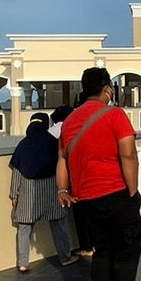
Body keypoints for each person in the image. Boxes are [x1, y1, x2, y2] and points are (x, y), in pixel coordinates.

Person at [56, 67, 141, 281]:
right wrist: (132, 191)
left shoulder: (70, 121)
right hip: (115, 192)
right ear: (107, 88)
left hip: (85, 199)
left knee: (102, 253)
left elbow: (62, 159)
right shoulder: (114, 114)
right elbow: (128, 154)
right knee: (127, 251)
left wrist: (63, 190)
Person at [10, 114, 76, 270]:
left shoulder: (23, 145)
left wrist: (14, 194)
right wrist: (66, 188)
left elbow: (17, 171)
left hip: (29, 192)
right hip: (51, 190)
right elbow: (62, 166)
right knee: (59, 224)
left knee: (24, 228)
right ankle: (65, 257)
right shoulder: (53, 143)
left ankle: (23, 263)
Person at [49, 105, 93, 258]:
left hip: (73, 180)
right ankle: (93, 245)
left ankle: (87, 246)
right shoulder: (78, 127)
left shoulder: (56, 131)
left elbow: (61, 157)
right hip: (87, 176)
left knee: (80, 215)